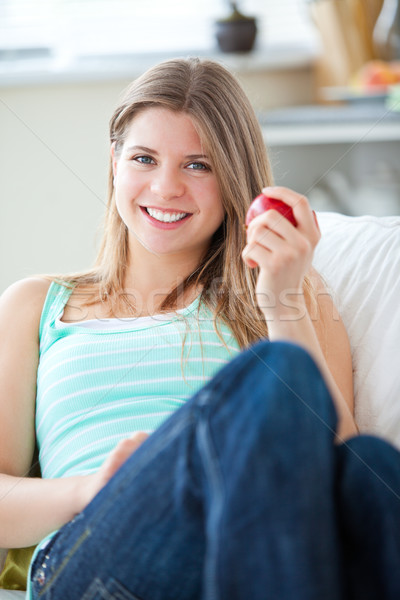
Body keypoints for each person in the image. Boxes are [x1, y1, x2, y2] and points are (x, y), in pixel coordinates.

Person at [0, 57, 399, 600]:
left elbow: (339, 471)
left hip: (245, 553)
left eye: (198, 166)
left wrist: (282, 300)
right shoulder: (36, 305)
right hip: (93, 557)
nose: (165, 188)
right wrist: (89, 490)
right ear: (115, 161)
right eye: (144, 158)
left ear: (234, 178)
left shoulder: (290, 295)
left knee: (375, 465)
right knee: (279, 377)